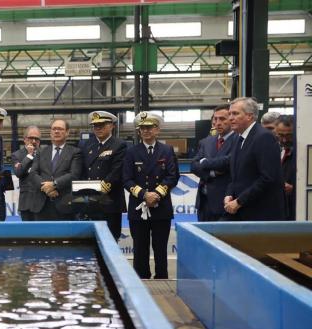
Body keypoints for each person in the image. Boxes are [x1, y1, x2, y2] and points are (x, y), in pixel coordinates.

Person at [123, 112, 180, 280]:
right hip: (138, 208)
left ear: (157, 130)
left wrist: (157, 194)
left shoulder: (167, 150)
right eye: (142, 128)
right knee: (140, 248)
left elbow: (172, 176)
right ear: (139, 131)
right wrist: (143, 195)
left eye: (150, 128)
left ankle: (161, 279)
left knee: (160, 247)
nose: (146, 131)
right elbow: (126, 179)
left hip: (160, 207)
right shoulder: (131, 152)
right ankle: (141, 279)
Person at [224, 97, 285, 221]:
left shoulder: (264, 137)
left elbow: (268, 178)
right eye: (230, 114)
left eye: (235, 113)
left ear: (249, 116)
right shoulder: (237, 138)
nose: (230, 118)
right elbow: (236, 175)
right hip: (241, 211)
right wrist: (229, 194)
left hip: (261, 213)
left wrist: (240, 201)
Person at [82, 111, 127, 240]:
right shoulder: (86, 145)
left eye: (102, 125)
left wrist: (99, 188)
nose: (98, 128)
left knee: (111, 240)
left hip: (110, 202)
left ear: (112, 126)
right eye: (95, 125)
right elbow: (83, 171)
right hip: (90, 204)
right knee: (91, 242)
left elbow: (117, 171)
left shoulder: (119, 145)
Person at [28, 118, 83, 221]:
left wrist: (54, 184)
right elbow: (33, 173)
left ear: (67, 133)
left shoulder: (75, 152)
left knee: (65, 237)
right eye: (54, 129)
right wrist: (47, 188)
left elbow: (74, 175)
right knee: (42, 237)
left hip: (65, 206)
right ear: (50, 132)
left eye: (60, 129)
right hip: (41, 205)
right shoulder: (41, 152)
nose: (56, 131)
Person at [190, 105, 236, 222]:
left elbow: (229, 162)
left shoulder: (238, 140)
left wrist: (205, 162)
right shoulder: (206, 141)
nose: (218, 123)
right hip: (204, 202)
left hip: (225, 202)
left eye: (222, 119)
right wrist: (212, 172)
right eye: (215, 119)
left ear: (231, 119)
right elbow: (194, 165)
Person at [12, 126, 42, 221]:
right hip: (26, 202)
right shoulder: (17, 155)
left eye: (36, 139)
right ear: (24, 139)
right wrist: (29, 155)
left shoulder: (45, 153)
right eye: (30, 138)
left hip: (42, 201)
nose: (33, 141)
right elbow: (19, 173)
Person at [276, 115, 296, 220]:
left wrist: (294, 189)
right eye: (280, 135)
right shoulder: (276, 149)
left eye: (288, 135)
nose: (284, 139)